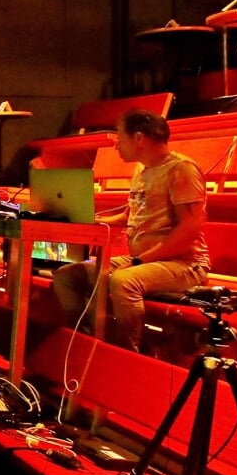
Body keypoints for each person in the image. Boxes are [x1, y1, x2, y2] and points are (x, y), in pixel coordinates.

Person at [51, 109, 209, 350]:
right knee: (68, 276)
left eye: (119, 138)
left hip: (185, 265)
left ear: (138, 138)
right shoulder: (141, 170)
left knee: (123, 281)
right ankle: (87, 343)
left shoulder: (181, 169)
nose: (116, 145)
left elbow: (189, 230)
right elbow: (129, 215)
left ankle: (128, 353)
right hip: (146, 262)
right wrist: (89, 219)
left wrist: (138, 261)